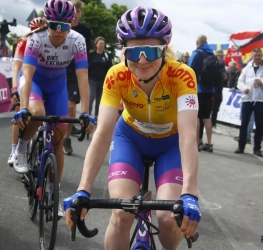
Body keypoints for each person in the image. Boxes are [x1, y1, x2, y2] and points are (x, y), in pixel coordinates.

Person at [63, 6, 201, 250]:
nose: (142, 60)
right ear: (123, 51)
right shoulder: (116, 75)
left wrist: (190, 193)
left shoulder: (182, 75)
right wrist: (83, 189)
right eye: (134, 52)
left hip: (170, 144)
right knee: (121, 214)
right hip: (130, 139)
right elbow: (103, 132)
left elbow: (189, 135)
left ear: (165, 49)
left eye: (150, 50)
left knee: (169, 218)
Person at [11, 0, 94, 217]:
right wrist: (24, 107)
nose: (59, 31)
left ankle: (53, 191)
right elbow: (27, 74)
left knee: (57, 139)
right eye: (54, 25)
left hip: (58, 86)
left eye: (64, 26)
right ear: (46, 23)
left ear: (71, 25)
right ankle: (22, 146)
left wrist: (85, 111)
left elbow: (82, 78)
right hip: (35, 81)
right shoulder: (36, 39)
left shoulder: (78, 41)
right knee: (37, 114)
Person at [7, 17, 47, 167]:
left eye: (43, 30)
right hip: (25, 78)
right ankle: (14, 149)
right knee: (20, 109)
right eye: (37, 31)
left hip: (42, 80)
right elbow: (17, 67)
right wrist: (15, 89)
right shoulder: (24, 43)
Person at [235, 48, 263, 156]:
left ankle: (257, 148)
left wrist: (262, 83)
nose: (257, 57)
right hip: (247, 98)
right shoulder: (247, 67)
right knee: (244, 123)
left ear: (262, 55)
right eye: (255, 56)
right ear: (252, 56)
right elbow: (240, 82)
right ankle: (241, 146)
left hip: (260, 99)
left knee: (259, 124)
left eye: (259, 55)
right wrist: (244, 88)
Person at [63, 0, 92, 155]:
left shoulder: (85, 31)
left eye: (78, 10)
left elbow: (85, 54)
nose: (75, 13)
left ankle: (67, 137)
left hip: (75, 71)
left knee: (70, 106)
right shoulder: (60, 26)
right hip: (59, 68)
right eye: (73, 10)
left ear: (81, 12)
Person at [88, 36, 112, 124]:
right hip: (91, 79)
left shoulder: (106, 56)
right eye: (100, 43)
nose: (101, 45)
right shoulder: (91, 55)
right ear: (96, 44)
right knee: (91, 96)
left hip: (102, 80)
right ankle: (88, 115)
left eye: (103, 43)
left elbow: (110, 68)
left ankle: (97, 116)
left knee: (100, 99)